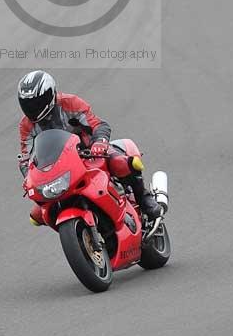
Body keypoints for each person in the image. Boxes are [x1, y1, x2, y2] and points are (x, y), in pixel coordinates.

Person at [17, 70, 162, 225]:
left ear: (50, 94)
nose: (33, 109)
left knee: (123, 164)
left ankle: (144, 199)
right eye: (27, 104)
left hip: (89, 155)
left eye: (37, 103)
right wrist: (29, 177)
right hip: (58, 170)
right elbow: (27, 157)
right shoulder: (26, 125)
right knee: (37, 215)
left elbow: (98, 124)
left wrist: (99, 142)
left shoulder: (70, 103)